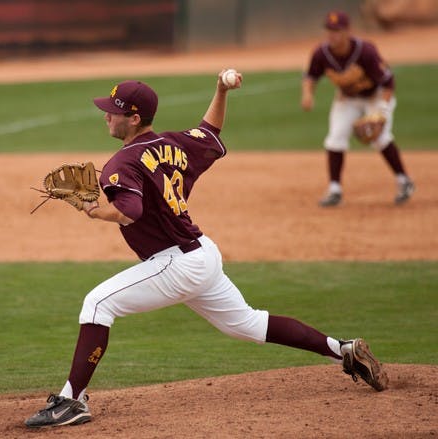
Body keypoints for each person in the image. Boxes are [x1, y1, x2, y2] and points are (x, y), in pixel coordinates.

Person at [24, 72, 388, 429]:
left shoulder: (121, 164)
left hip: (176, 263)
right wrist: (221, 89)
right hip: (202, 255)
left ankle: (72, 400)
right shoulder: (175, 142)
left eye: (113, 111)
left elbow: (128, 213)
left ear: (134, 119)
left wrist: (92, 209)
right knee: (248, 323)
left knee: (98, 304)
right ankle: (343, 349)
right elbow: (211, 131)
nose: (106, 115)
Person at [301, 10, 415, 207]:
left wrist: (382, 112)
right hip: (348, 99)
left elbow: (388, 82)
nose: (332, 34)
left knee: (380, 137)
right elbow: (311, 76)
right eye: (329, 30)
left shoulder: (365, 51)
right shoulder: (321, 53)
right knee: (335, 139)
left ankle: (404, 181)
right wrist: (308, 94)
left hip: (376, 97)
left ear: (348, 31)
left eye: (336, 30)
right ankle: (335, 190)